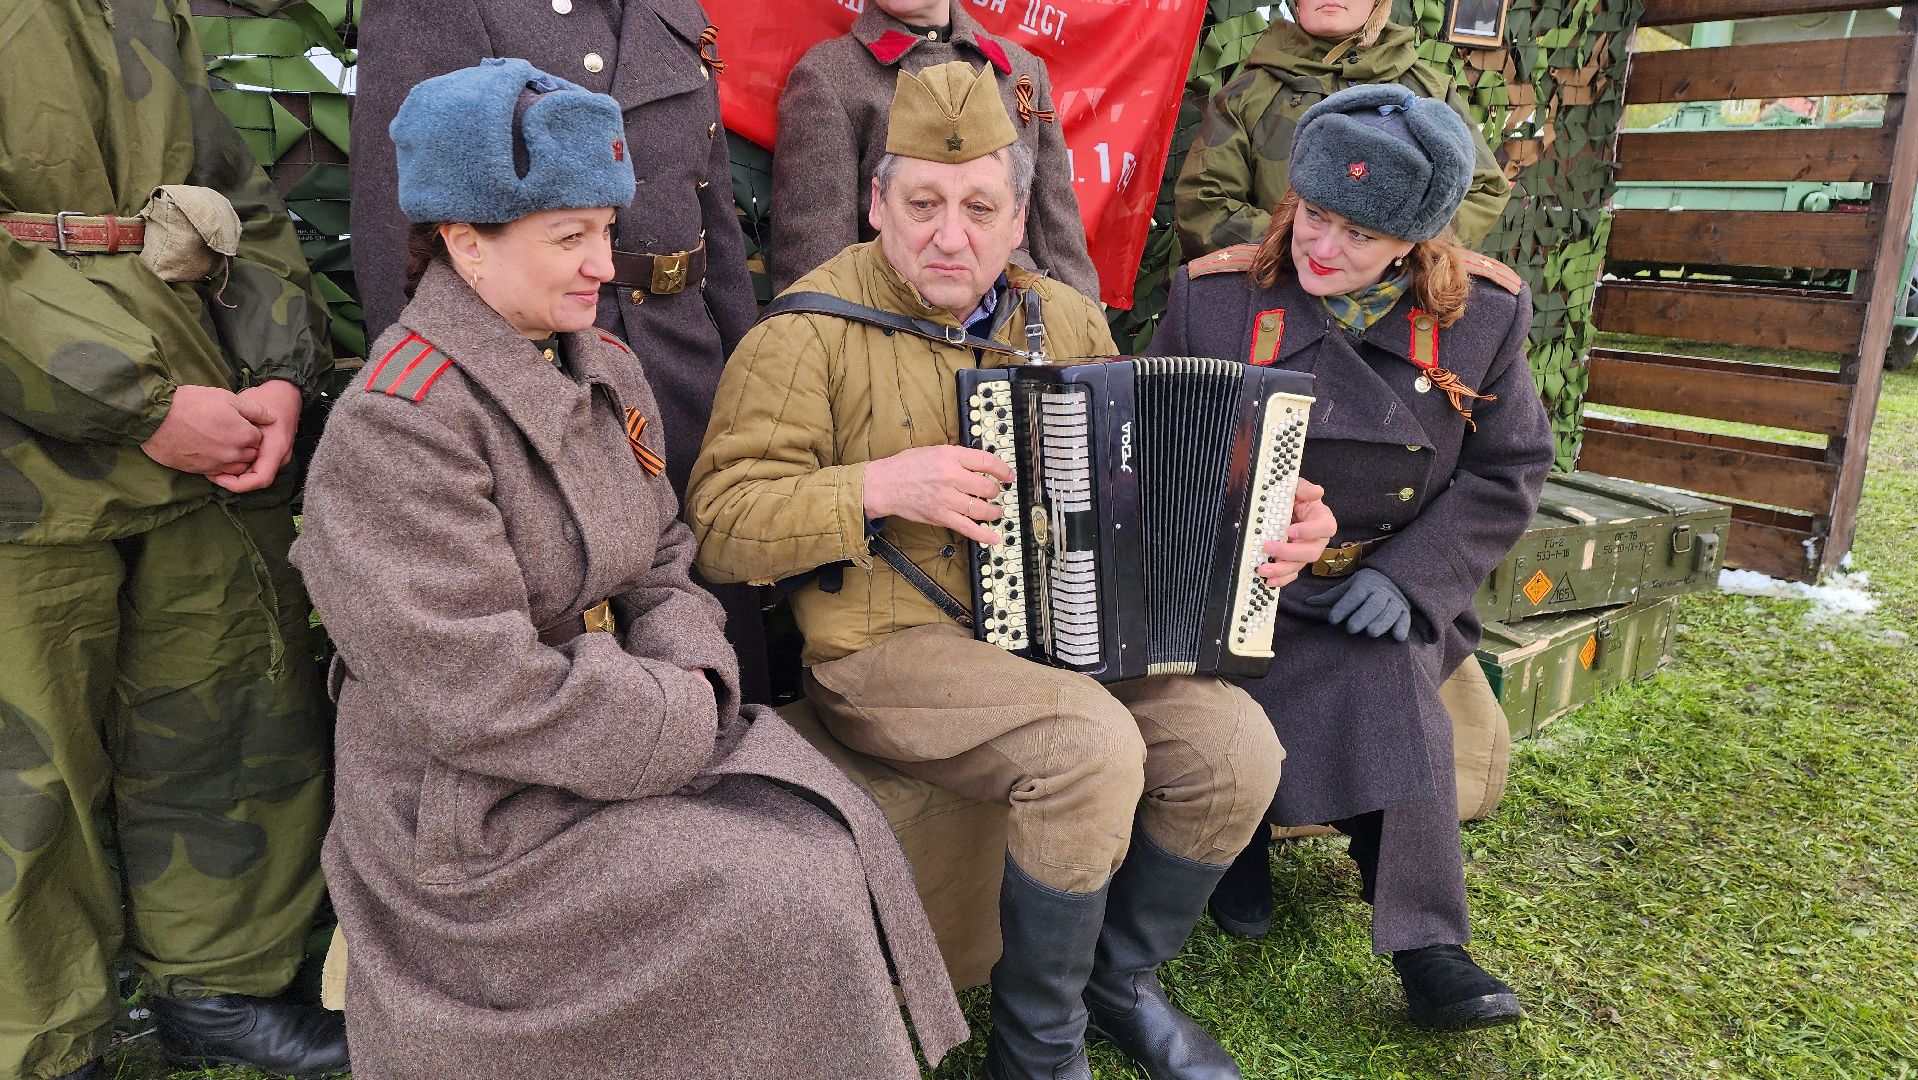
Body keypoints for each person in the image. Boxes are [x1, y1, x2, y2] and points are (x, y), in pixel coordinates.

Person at [290, 60, 965, 1080]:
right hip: (477, 816)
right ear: (466, 245)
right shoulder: (398, 428)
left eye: (603, 228)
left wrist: (691, 679)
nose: (604, 264)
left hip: (619, 724)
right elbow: (477, 695)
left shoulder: (596, 362)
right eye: (569, 237)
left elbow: (660, 559)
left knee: (827, 840)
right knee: (776, 883)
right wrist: (671, 718)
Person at [688, 61, 1336, 1080]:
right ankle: (1035, 1052)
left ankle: (1118, 985)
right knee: (1086, 744)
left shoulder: (1064, 320)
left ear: (1016, 213)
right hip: (884, 650)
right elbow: (721, 525)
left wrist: (1270, 517)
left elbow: (1148, 478)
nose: (950, 235)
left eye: (978, 207)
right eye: (923, 204)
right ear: (875, 203)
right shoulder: (805, 333)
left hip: (1059, 630)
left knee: (1235, 747)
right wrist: (872, 487)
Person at [1148, 84, 1553, 1031]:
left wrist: (1410, 578)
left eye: (1358, 237)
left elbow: (1509, 469)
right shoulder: (1214, 301)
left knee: (1391, 674)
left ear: (1413, 243)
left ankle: (1427, 945)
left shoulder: (1482, 318)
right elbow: (1158, 444)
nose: (1322, 249)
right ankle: (1236, 840)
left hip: (1381, 579)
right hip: (1237, 577)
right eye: (1315, 217)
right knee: (1222, 677)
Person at [0, 4, 346, 1078]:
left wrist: (284, 369)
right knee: (25, 763)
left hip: (202, 407)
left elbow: (234, 193)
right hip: (32, 455)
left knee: (224, 705)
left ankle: (224, 984)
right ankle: (39, 1042)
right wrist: (138, 402)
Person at [349, 0, 772, 701]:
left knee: (710, 634)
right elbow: (400, 221)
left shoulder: (669, 9)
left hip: (682, 363)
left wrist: (748, 383)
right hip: (534, 370)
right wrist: (459, 402)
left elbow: (712, 215)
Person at [770, 0, 1099, 300]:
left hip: (1016, 324)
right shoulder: (829, 74)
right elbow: (816, 270)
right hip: (894, 325)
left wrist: (1090, 340)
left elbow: (1060, 241)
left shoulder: (1020, 69)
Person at [1172, 0, 1512, 260]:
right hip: (1277, 304)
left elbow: (1482, 189)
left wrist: (1400, 251)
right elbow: (1205, 203)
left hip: (1393, 311)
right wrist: (1305, 253)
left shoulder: (1430, 93)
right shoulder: (1249, 94)